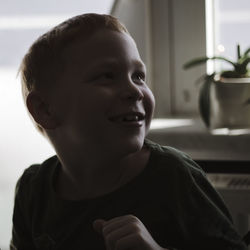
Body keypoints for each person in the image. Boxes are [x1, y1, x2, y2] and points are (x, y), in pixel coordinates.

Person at [10, 13, 247, 250]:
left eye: (138, 76)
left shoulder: (174, 178)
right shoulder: (33, 192)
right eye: (107, 76)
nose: (135, 91)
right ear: (45, 109)